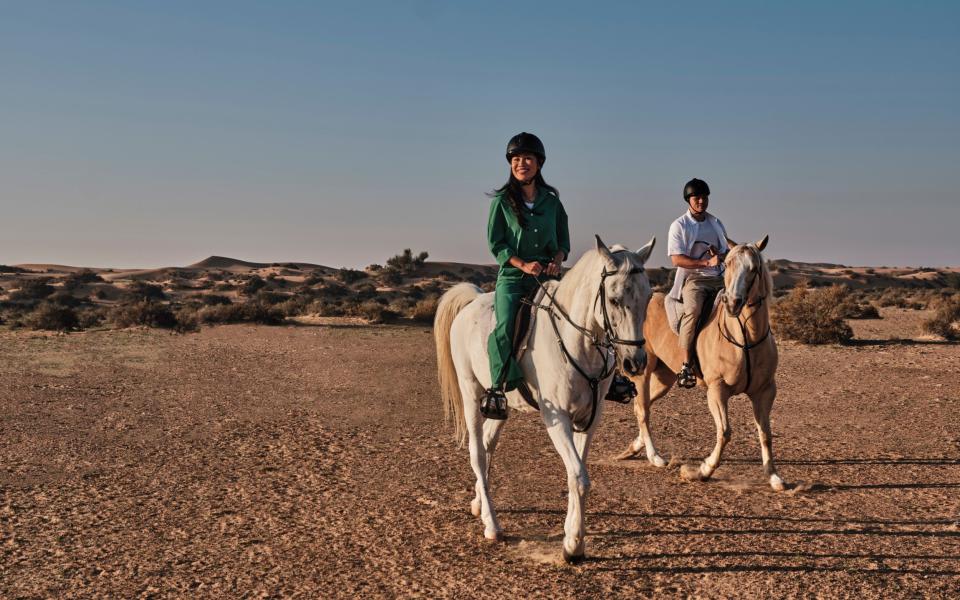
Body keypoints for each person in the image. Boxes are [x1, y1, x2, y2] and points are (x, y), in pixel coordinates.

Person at [482, 132, 569, 419]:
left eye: (527, 159)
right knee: (506, 326)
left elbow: (562, 243)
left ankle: (605, 376)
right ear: (510, 164)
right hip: (513, 278)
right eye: (516, 159)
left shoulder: (552, 202)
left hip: (546, 277)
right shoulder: (502, 202)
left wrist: (556, 261)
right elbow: (497, 244)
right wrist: (523, 264)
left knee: (581, 315)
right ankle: (497, 388)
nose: (522, 163)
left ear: (539, 164)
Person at [667, 178, 730, 388]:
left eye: (704, 197)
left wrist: (720, 255)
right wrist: (705, 261)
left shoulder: (716, 223)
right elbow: (676, 259)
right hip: (695, 279)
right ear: (689, 200)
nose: (701, 201)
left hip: (719, 276)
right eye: (697, 198)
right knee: (692, 311)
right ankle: (686, 364)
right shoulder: (679, 225)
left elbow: (726, 250)